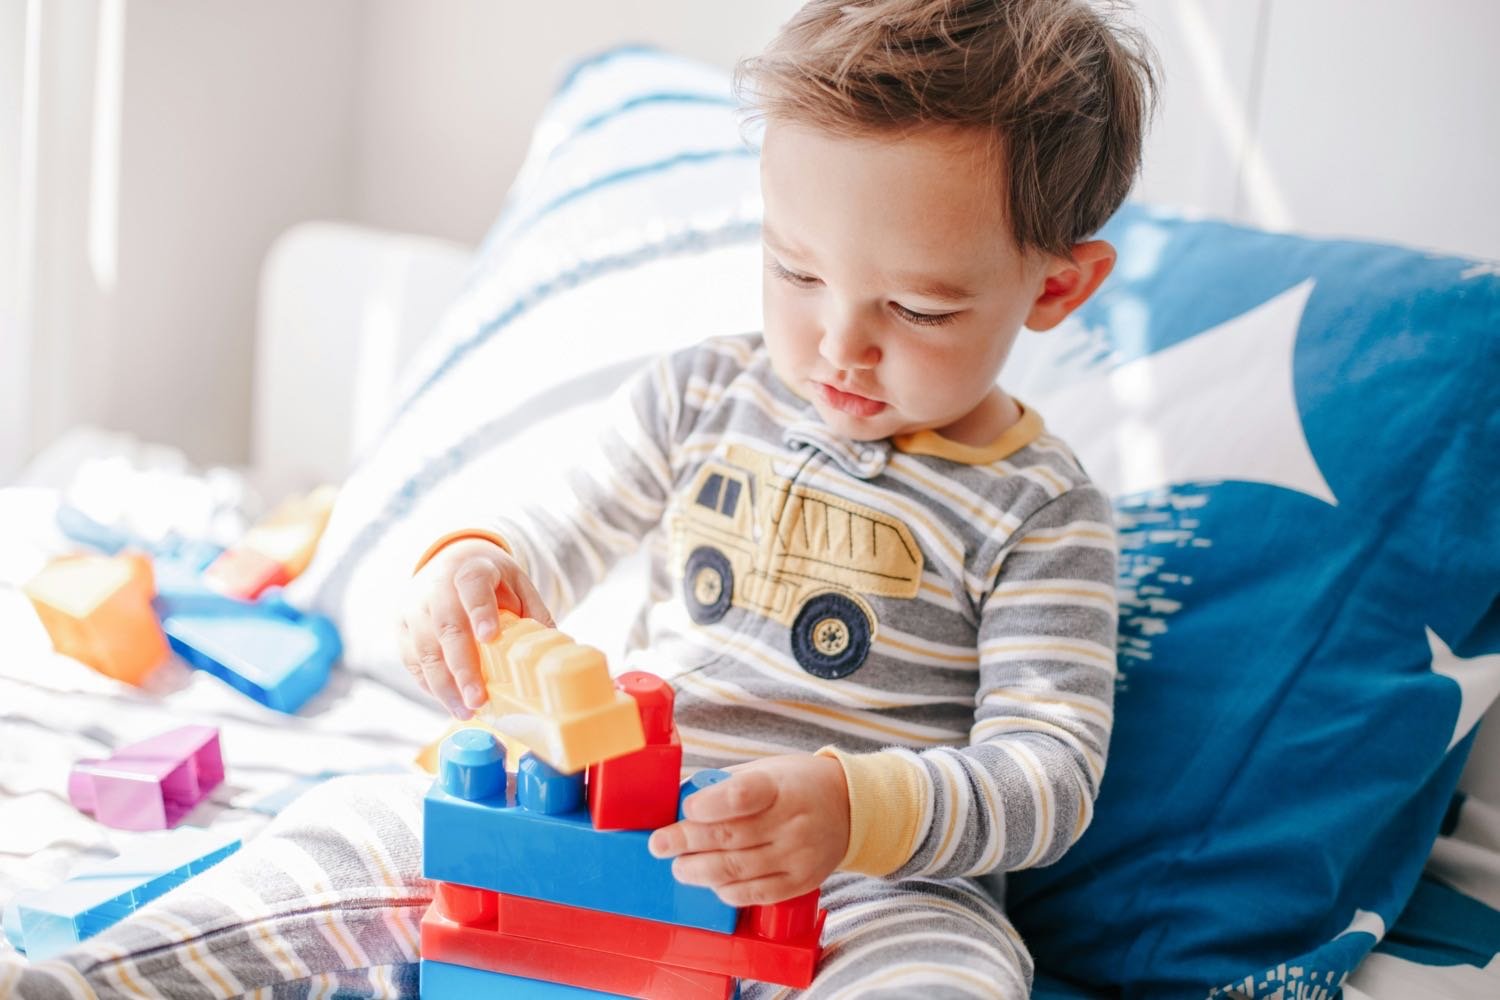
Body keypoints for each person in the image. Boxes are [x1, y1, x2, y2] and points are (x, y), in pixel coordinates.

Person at [3, 2, 1153, 997]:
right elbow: (548, 540)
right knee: (355, 831)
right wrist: (474, 570)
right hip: (610, 815)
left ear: (1057, 284)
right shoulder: (702, 393)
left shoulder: (1042, 513)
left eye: (917, 309)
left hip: (869, 883)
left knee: (954, 975)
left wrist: (857, 811)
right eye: (797, 272)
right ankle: (78, 981)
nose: (838, 344)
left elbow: (1045, 778)